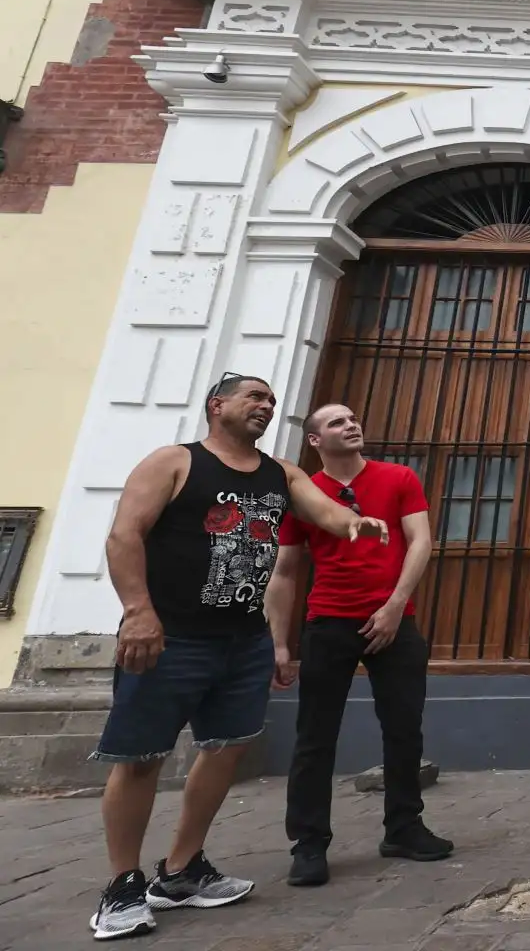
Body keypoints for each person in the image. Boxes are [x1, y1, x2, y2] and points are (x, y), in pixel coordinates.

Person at [88, 373, 388, 942]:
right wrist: (138, 612)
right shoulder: (174, 462)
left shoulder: (281, 473)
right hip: (169, 636)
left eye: (271, 400)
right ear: (217, 404)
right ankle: (121, 885)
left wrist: (356, 522)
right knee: (141, 757)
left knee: (225, 750)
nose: (266, 405)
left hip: (244, 639)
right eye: (255, 396)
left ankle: (181, 869)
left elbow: (326, 512)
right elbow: (124, 536)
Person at [267, 403, 452, 888]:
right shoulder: (304, 494)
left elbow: (420, 542)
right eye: (336, 422)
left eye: (352, 419)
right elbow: (285, 570)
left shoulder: (398, 478)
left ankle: (404, 828)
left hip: (395, 622)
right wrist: (279, 643)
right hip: (328, 622)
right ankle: (309, 844)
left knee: (404, 729)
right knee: (315, 737)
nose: (351, 425)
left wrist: (394, 606)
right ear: (314, 441)